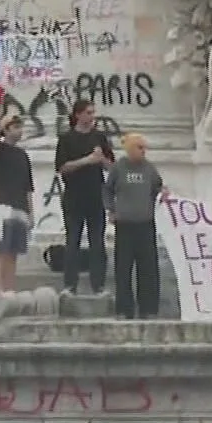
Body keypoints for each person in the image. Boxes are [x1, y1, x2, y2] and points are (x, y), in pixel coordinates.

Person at [53, 99, 114, 295]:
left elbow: (111, 167)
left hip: (96, 195)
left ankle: (99, 285)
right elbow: (62, 168)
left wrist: (101, 158)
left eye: (93, 113)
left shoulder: (100, 138)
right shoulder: (66, 139)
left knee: (98, 242)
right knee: (73, 241)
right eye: (88, 113)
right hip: (74, 196)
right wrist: (87, 160)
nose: (91, 117)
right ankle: (70, 285)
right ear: (78, 115)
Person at [105, 133, 164, 319]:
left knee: (148, 269)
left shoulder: (150, 169)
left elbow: (158, 189)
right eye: (139, 147)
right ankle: (124, 309)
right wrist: (111, 210)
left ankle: (149, 309)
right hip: (125, 225)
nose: (143, 151)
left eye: (144, 148)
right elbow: (107, 190)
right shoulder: (119, 168)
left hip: (146, 224)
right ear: (130, 148)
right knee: (123, 268)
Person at [0, 114, 33, 295]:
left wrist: (30, 212)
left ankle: (10, 289)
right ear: (6, 130)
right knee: (0, 250)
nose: (19, 130)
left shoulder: (23, 155)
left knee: (13, 251)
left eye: (20, 126)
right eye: (15, 127)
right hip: (2, 206)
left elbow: (28, 186)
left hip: (20, 206)